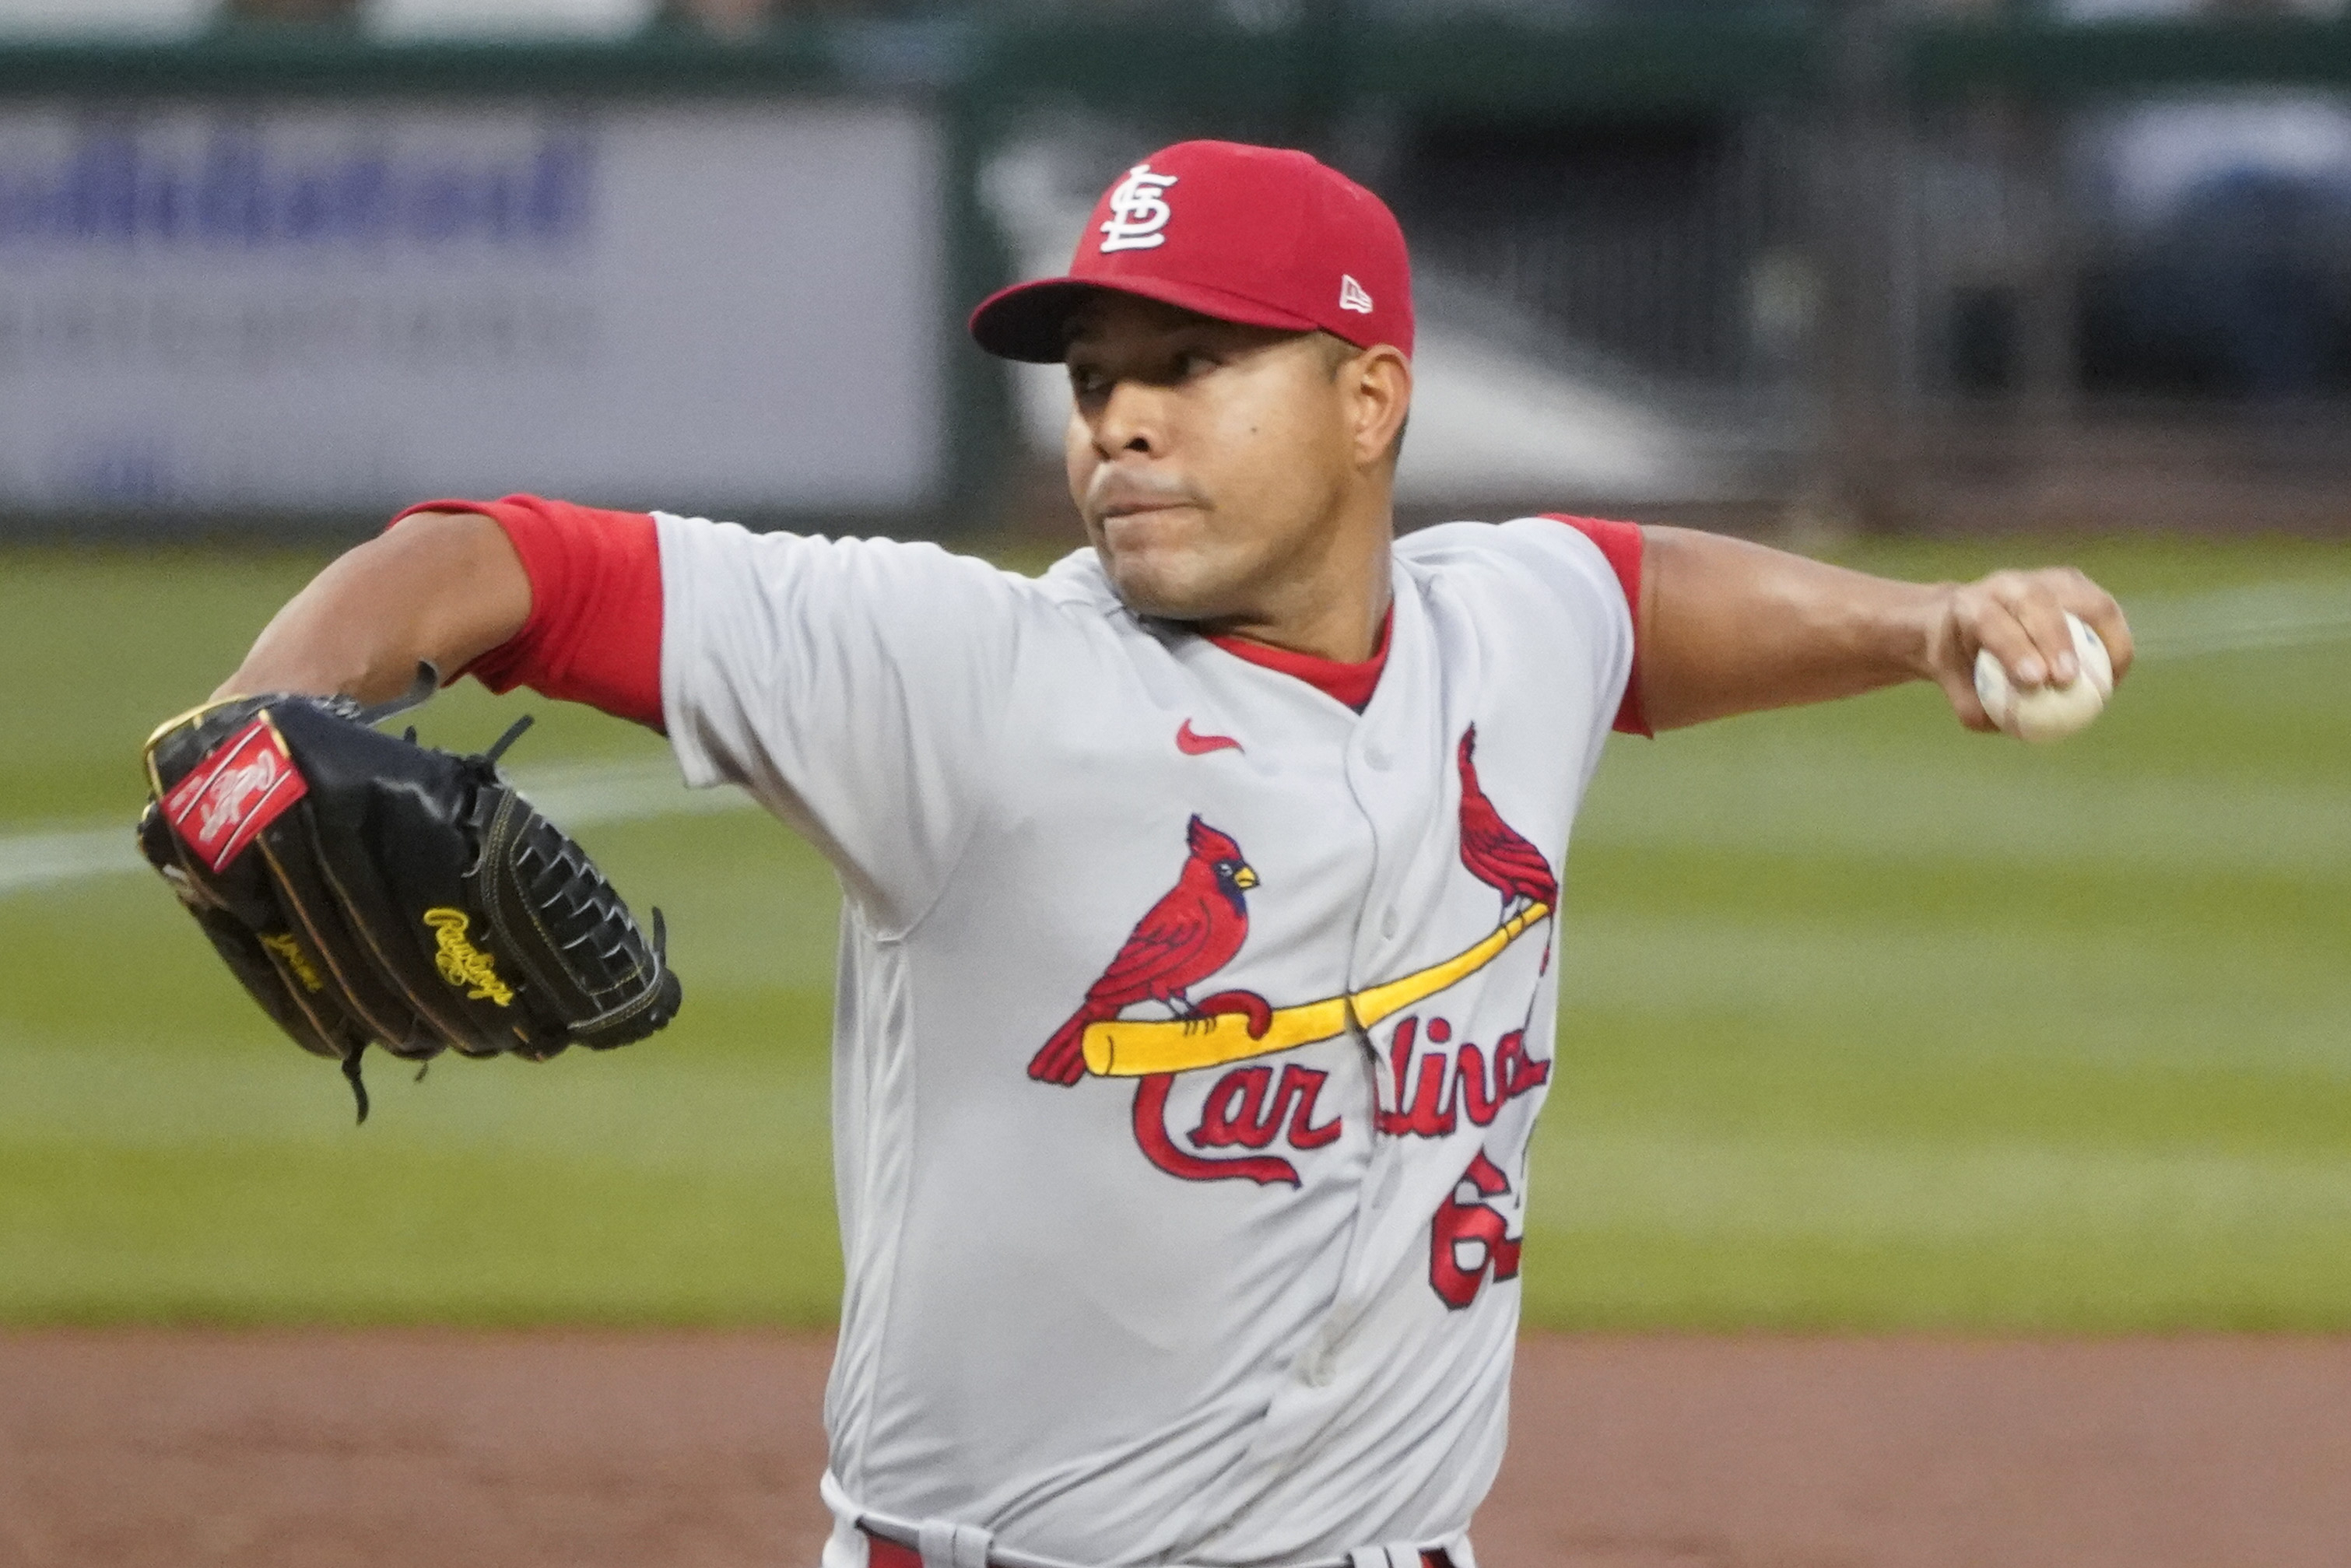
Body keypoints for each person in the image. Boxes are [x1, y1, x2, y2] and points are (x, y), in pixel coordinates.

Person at [211, 140, 2131, 1568]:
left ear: (1369, 395)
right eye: (1093, 378)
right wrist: (237, 758)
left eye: (1192, 362)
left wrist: (1920, 622)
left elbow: (1635, 598)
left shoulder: (1500, 628)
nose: (1121, 420)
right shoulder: (963, 680)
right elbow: (487, 564)